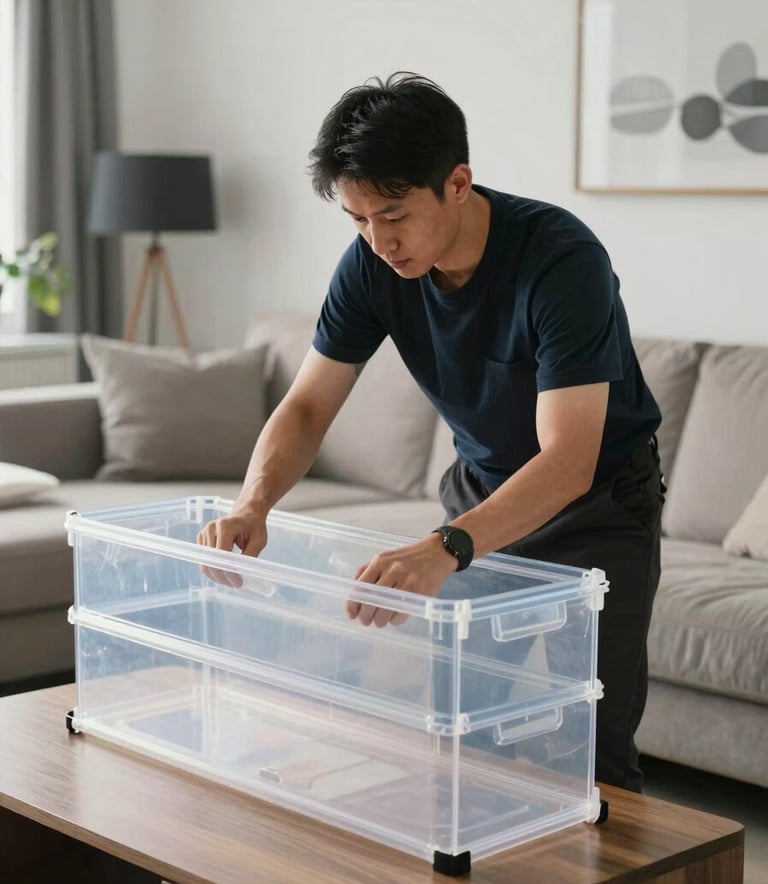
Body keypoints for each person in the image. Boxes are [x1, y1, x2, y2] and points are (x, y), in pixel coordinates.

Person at [197, 73, 664, 793]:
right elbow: (307, 406)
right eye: (357, 220)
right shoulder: (373, 267)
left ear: (457, 183)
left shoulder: (561, 260)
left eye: (393, 213)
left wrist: (446, 546)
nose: (379, 241)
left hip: (599, 505)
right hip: (480, 488)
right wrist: (252, 503)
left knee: (590, 754)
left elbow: (570, 460)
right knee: (460, 729)